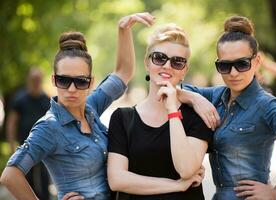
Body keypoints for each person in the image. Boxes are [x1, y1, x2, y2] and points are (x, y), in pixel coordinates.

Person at [0, 13, 154, 200]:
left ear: (90, 82)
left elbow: (124, 72)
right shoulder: (49, 127)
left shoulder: (92, 106)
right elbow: (10, 176)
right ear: (54, 80)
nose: (72, 89)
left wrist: (124, 30)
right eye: (64, 80)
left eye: (80, 81)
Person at [179, 15, 276, 199]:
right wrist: (195, 99)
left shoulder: (266, 105)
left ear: (257, 62)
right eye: (225, 66)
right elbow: (168, 89)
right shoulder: (215, 96)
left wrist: (275, 193)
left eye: (242, 64)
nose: (233, 73)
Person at [107, 23, 213, 200]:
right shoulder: (122, 118)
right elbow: (117, 179)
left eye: (177, 61)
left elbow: (186, 169)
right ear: (147, 63)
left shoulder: (197, 116)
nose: (167, 65)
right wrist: (176, 185)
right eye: (159, 58)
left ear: (184, 70)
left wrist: (172, 111)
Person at [5, 67, 51, 199]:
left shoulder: (47, 100)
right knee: (27, 180)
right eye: (33, 79)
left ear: (41, 80)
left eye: (38, 79)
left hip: (43, 148)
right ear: (28, 80)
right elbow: (11, 124)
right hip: (24, 147)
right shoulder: (20, 99)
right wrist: (11, 146)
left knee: (44, 179)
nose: (36, 82)